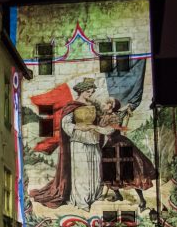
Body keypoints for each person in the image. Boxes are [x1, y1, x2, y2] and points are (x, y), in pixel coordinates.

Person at [30, 78, 113, 209]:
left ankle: (94, 195)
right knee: (82, 171)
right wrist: (79, 127)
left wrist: (102, 124)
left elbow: (97, 123)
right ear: (81, 91)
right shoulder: (72, 106)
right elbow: (65, 123)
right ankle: (82, 200)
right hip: (78, 140)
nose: (90, 94)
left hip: (93, 139)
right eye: (88, 92)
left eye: (91, 92)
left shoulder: (93, 106)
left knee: (95, 167)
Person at [97, 98, 156, 209]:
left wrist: (94, 128)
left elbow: (110, 131)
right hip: (109, 145)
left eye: (105, 103)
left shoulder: (115, 117)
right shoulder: (105, 116)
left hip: (120, 144)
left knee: (130, 173)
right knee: (110, 171)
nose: (102, 105)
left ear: (110, 105)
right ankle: (118, 195)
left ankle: (142, 200)